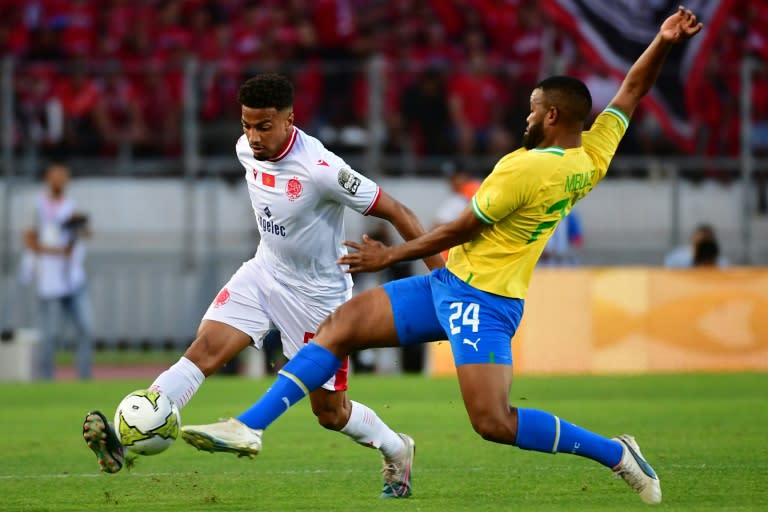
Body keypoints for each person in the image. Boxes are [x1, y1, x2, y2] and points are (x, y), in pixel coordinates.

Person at [181, 7, 704, 505]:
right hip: (449, 287)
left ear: (549, 115)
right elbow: (631, 92)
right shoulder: (591, 156)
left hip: (486, 300)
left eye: (530, 109)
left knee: (493, 423)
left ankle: (616, 452)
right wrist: (662, 41)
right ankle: (249, 425)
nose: (524, 117)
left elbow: (459, 227)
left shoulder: (525, 171)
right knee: (337, 329)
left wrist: (392, 256)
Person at [82, 73, 443, 499]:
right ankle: (132, 436)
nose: (252, 137)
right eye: (246, 125)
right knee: (205, 349)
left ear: (290, 119)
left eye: (263, 126)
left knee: (330, 413)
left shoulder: (322, 169)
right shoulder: (245, 149)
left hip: (318, 298)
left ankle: (397, 449)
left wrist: (443, 278)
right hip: (264, 273)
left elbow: (398, 211)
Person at [22, 162, 93, 380]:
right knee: (50, 334)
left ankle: (84, 376)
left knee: (86, 328)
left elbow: (87, 234)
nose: (60, 181)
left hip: (72, 278)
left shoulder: (70, 205)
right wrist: (58, 251)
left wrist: (79, 226)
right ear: (48, 179)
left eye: (63, 177)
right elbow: (30, 240)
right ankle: (46, 378)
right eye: (56, 177)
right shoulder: (38, 206)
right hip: (50, 280)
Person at [663, 223, 729, 268]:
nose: (704, 247)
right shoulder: (678, 257)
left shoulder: (721, 261)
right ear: (693, 239)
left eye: (706, 242)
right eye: (701, 242)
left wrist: (711, 263)